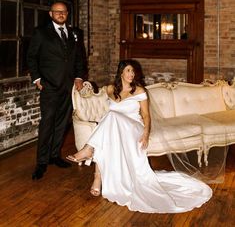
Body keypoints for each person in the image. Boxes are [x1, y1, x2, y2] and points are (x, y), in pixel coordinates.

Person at [66, 59, 212, 213]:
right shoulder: (110, 89)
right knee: (110, 123)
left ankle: (90, 154)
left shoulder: (139, 91)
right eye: (128, 70)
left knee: (112, 116)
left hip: (134, 127)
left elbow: (146, 116)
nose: (132, 74)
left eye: (133, 71)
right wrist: (83, 89)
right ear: (121, 72)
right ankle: (97, 177)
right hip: (115, 127)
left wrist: (146, 133)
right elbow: (91, 95)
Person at [27, 2, 87, 180]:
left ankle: (54, 156)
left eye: (64, 12)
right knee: (47, 123)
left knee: (62, 123)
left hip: (68, 86)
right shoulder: (41, 32)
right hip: (49, 86)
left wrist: (78, 77)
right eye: (57, 12)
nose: (61, 14)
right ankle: (41, 162)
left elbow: (79, 57)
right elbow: (31, 57)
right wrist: (37, 79)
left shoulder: (74, 33)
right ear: (51, 13)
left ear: (67, 14)